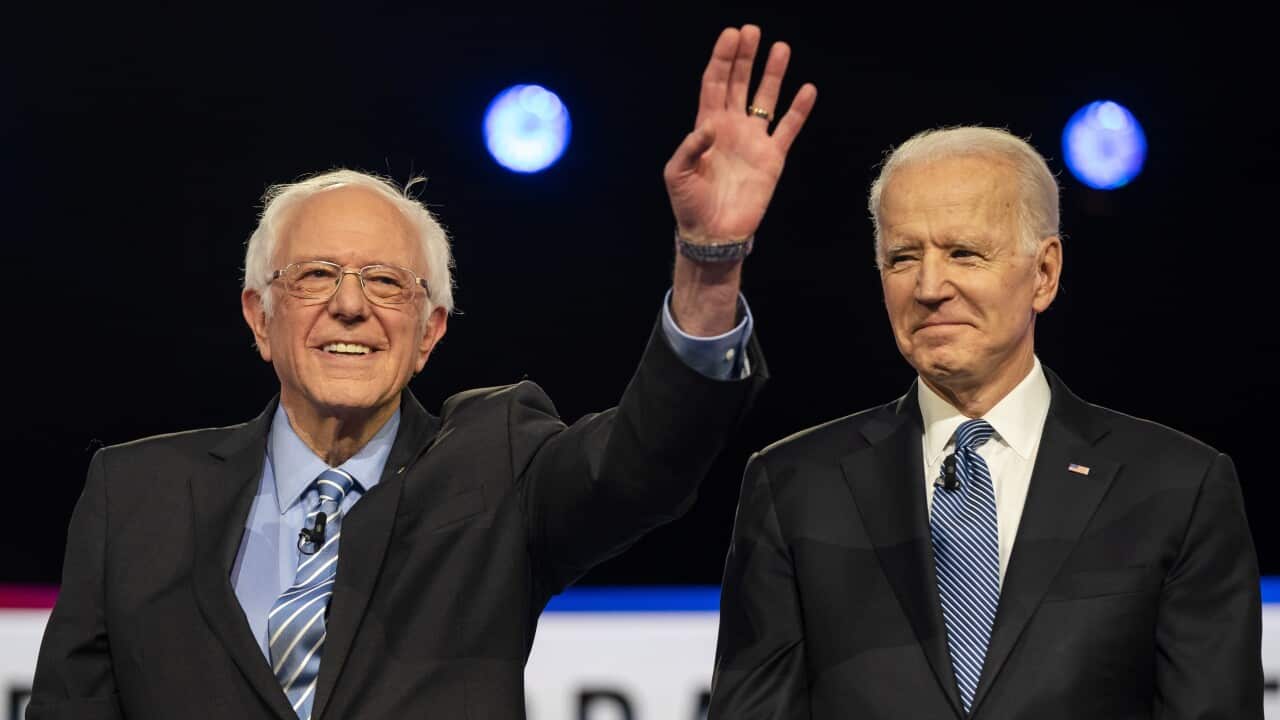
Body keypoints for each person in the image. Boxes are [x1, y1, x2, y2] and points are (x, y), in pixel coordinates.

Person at [28, 25, 816, 719]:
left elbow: (645, 463)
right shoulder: (134, 497)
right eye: (313, 277)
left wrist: (708, 266)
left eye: (385, 282)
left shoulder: (496, 465)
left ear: (429, 331)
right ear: (257, 317)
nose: (349, 306)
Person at [708, 126, 1262, 719]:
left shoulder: (1178, 489)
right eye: (902, 257)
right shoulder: (793, 486)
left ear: (1044, 273)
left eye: (963, 253)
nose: (928, 287)